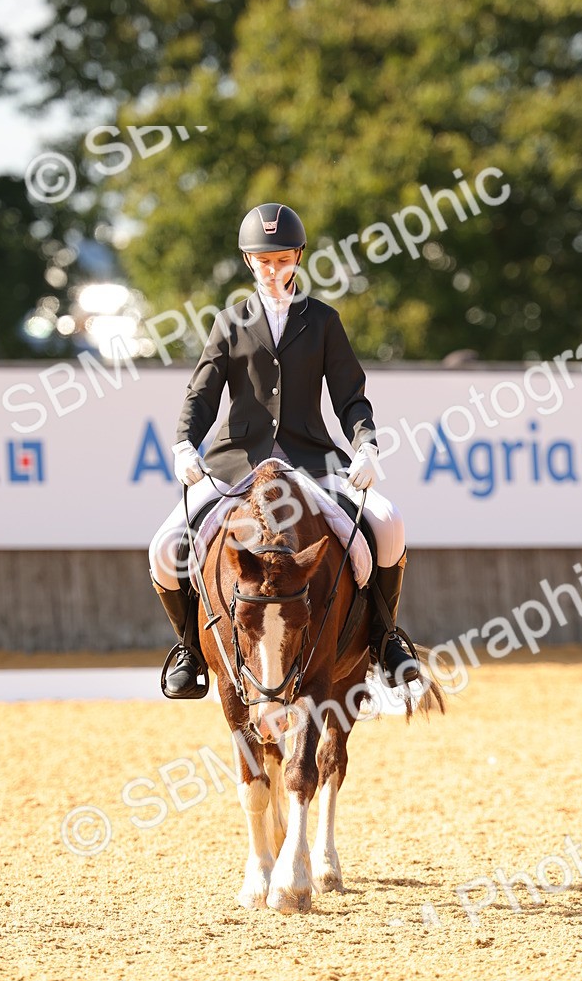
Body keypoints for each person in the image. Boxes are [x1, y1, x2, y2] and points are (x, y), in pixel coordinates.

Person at [148, 202, 420, 699]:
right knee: (164, 550)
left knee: (388, 522)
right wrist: (184, 443)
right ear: (248, 261)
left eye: (282, 259)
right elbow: (201, 395)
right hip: (236, 462)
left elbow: (350, 396)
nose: (273, 270)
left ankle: (385, 641)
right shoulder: (229, 322)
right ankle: (190, 648)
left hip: (310, 459)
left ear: (298, 256)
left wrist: (365, 444)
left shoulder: (323, 321)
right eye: (264, 261)